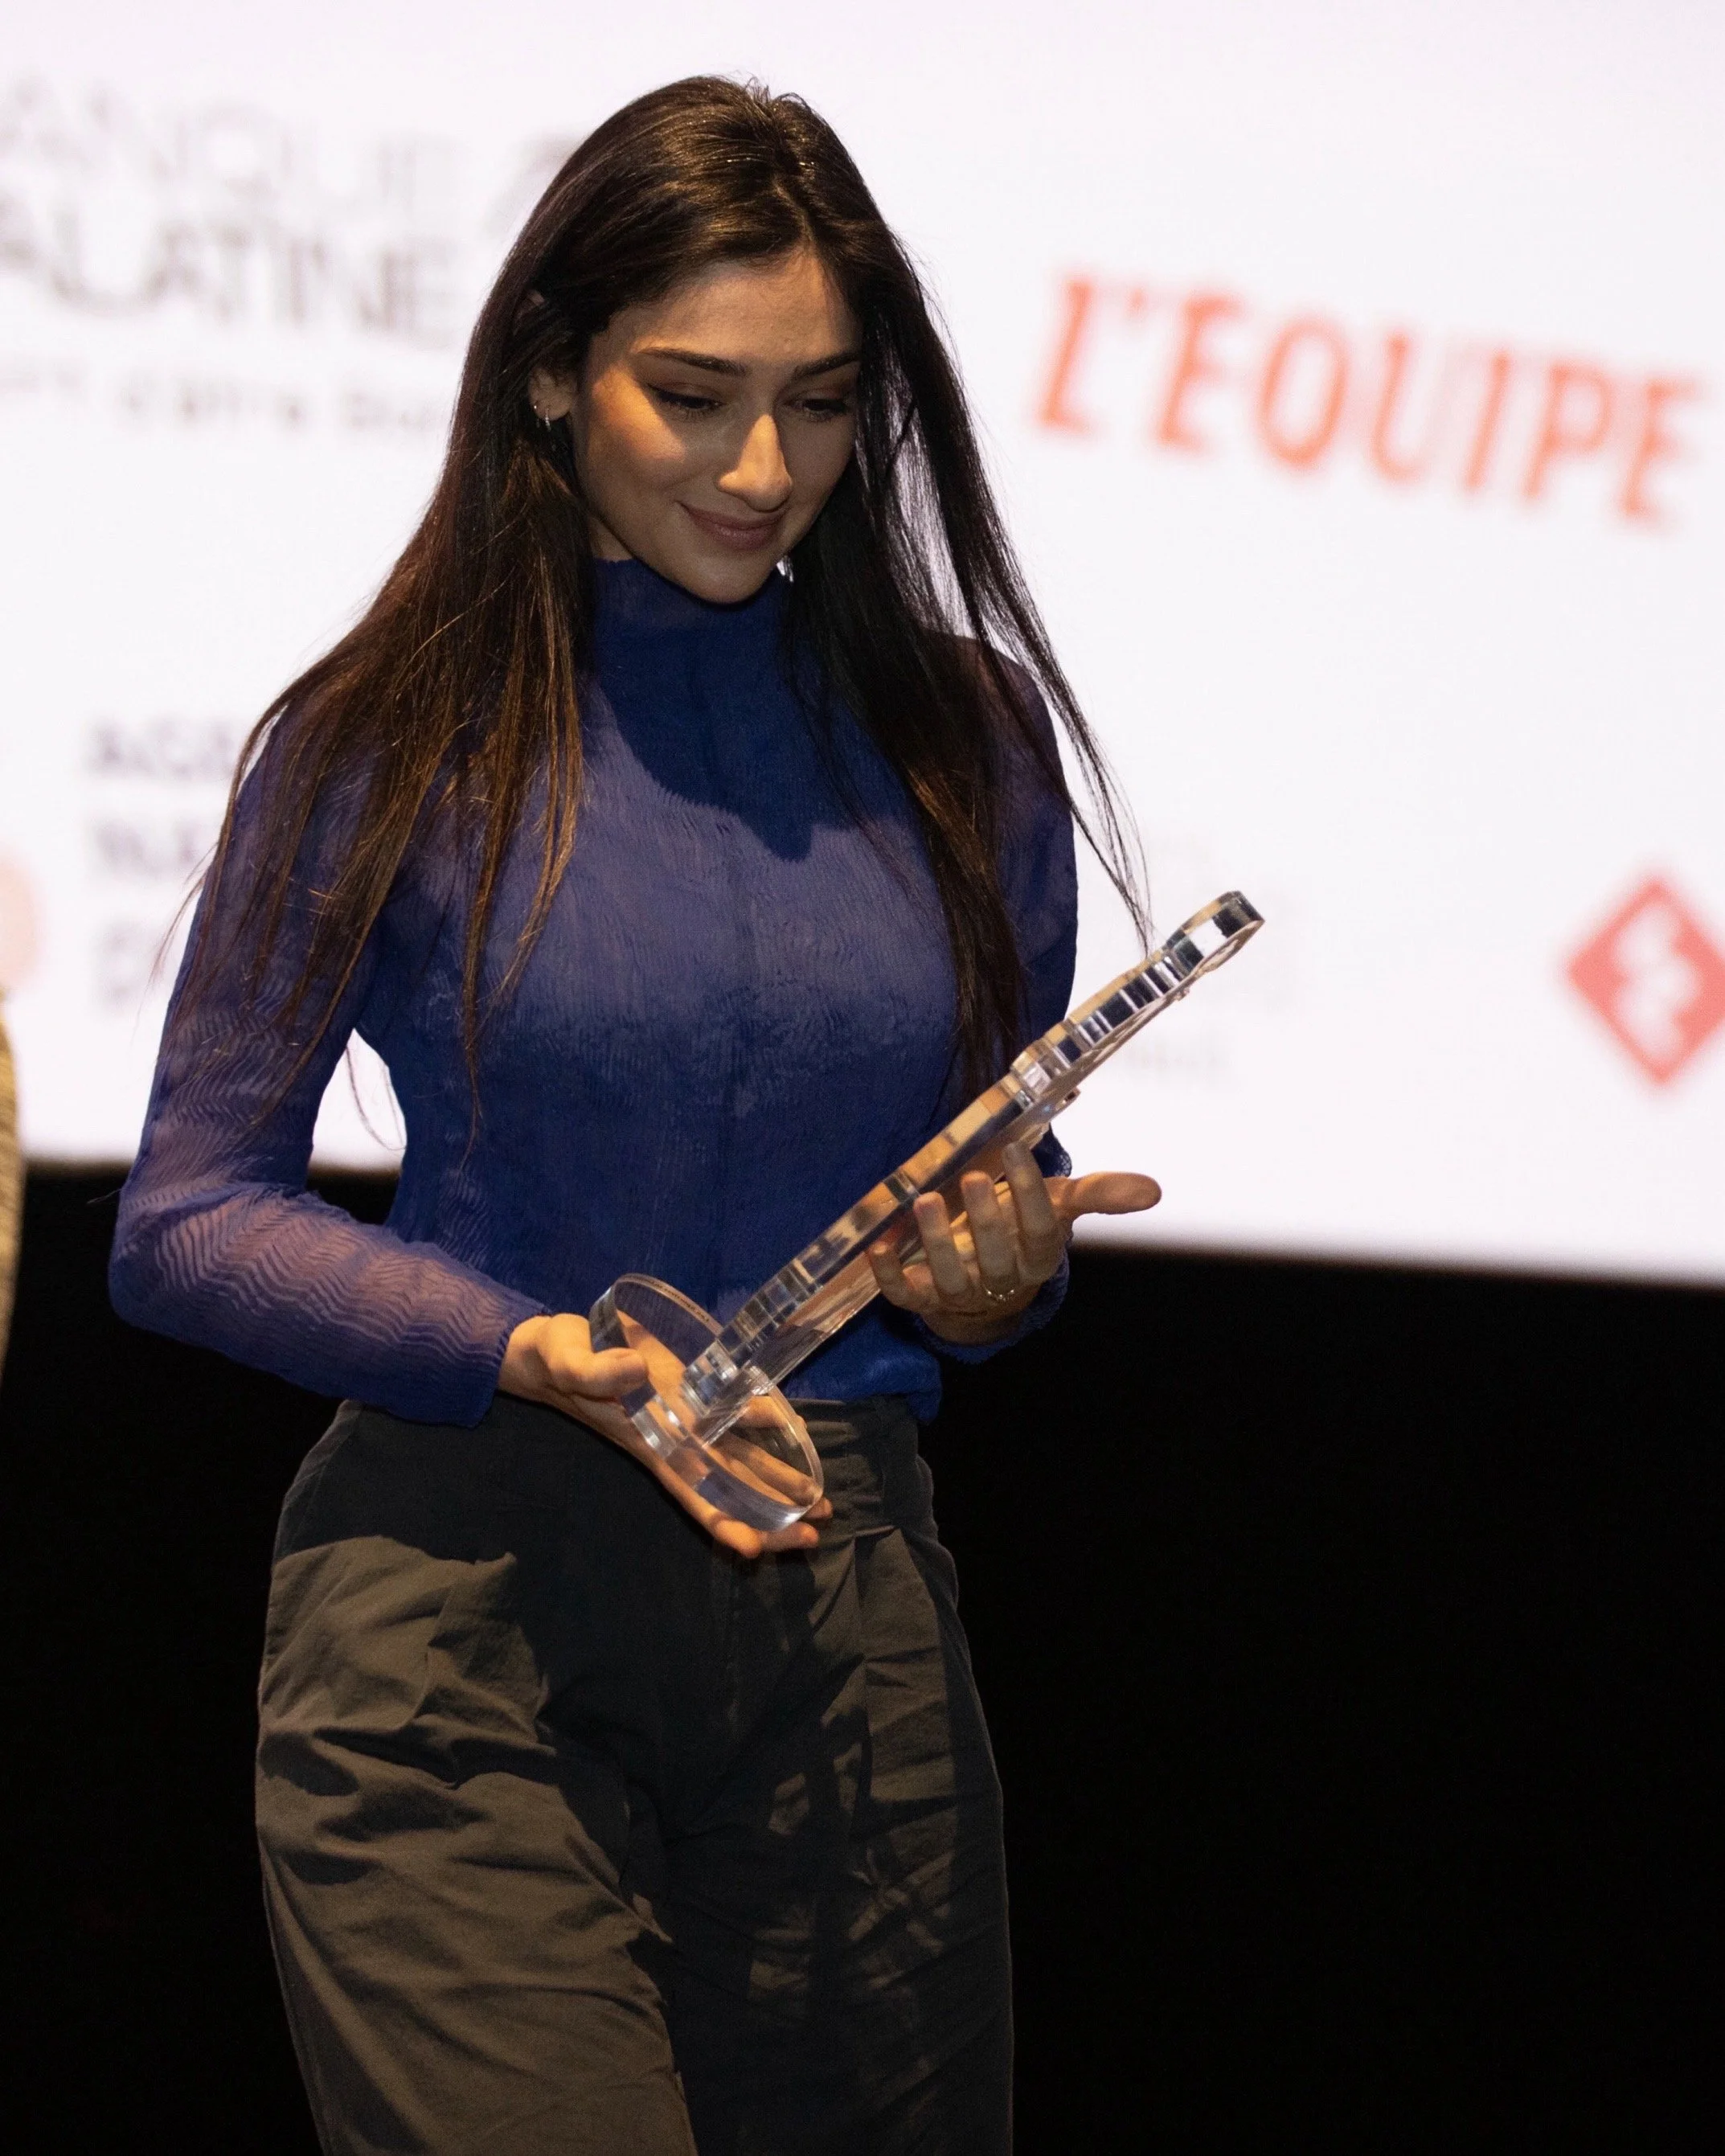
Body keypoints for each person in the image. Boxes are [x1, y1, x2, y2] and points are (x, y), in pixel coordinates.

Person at [111, 78, 1158, 2156]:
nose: (769, 467)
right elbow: (186, 1217)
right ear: (547, 380)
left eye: (829, 403)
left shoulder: (965, 735)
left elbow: (978, 1221)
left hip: (839, 1599)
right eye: (694, 394)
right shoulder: (381, 738)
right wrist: (522, 1346)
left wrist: (996, 1275)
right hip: (460, 1603)